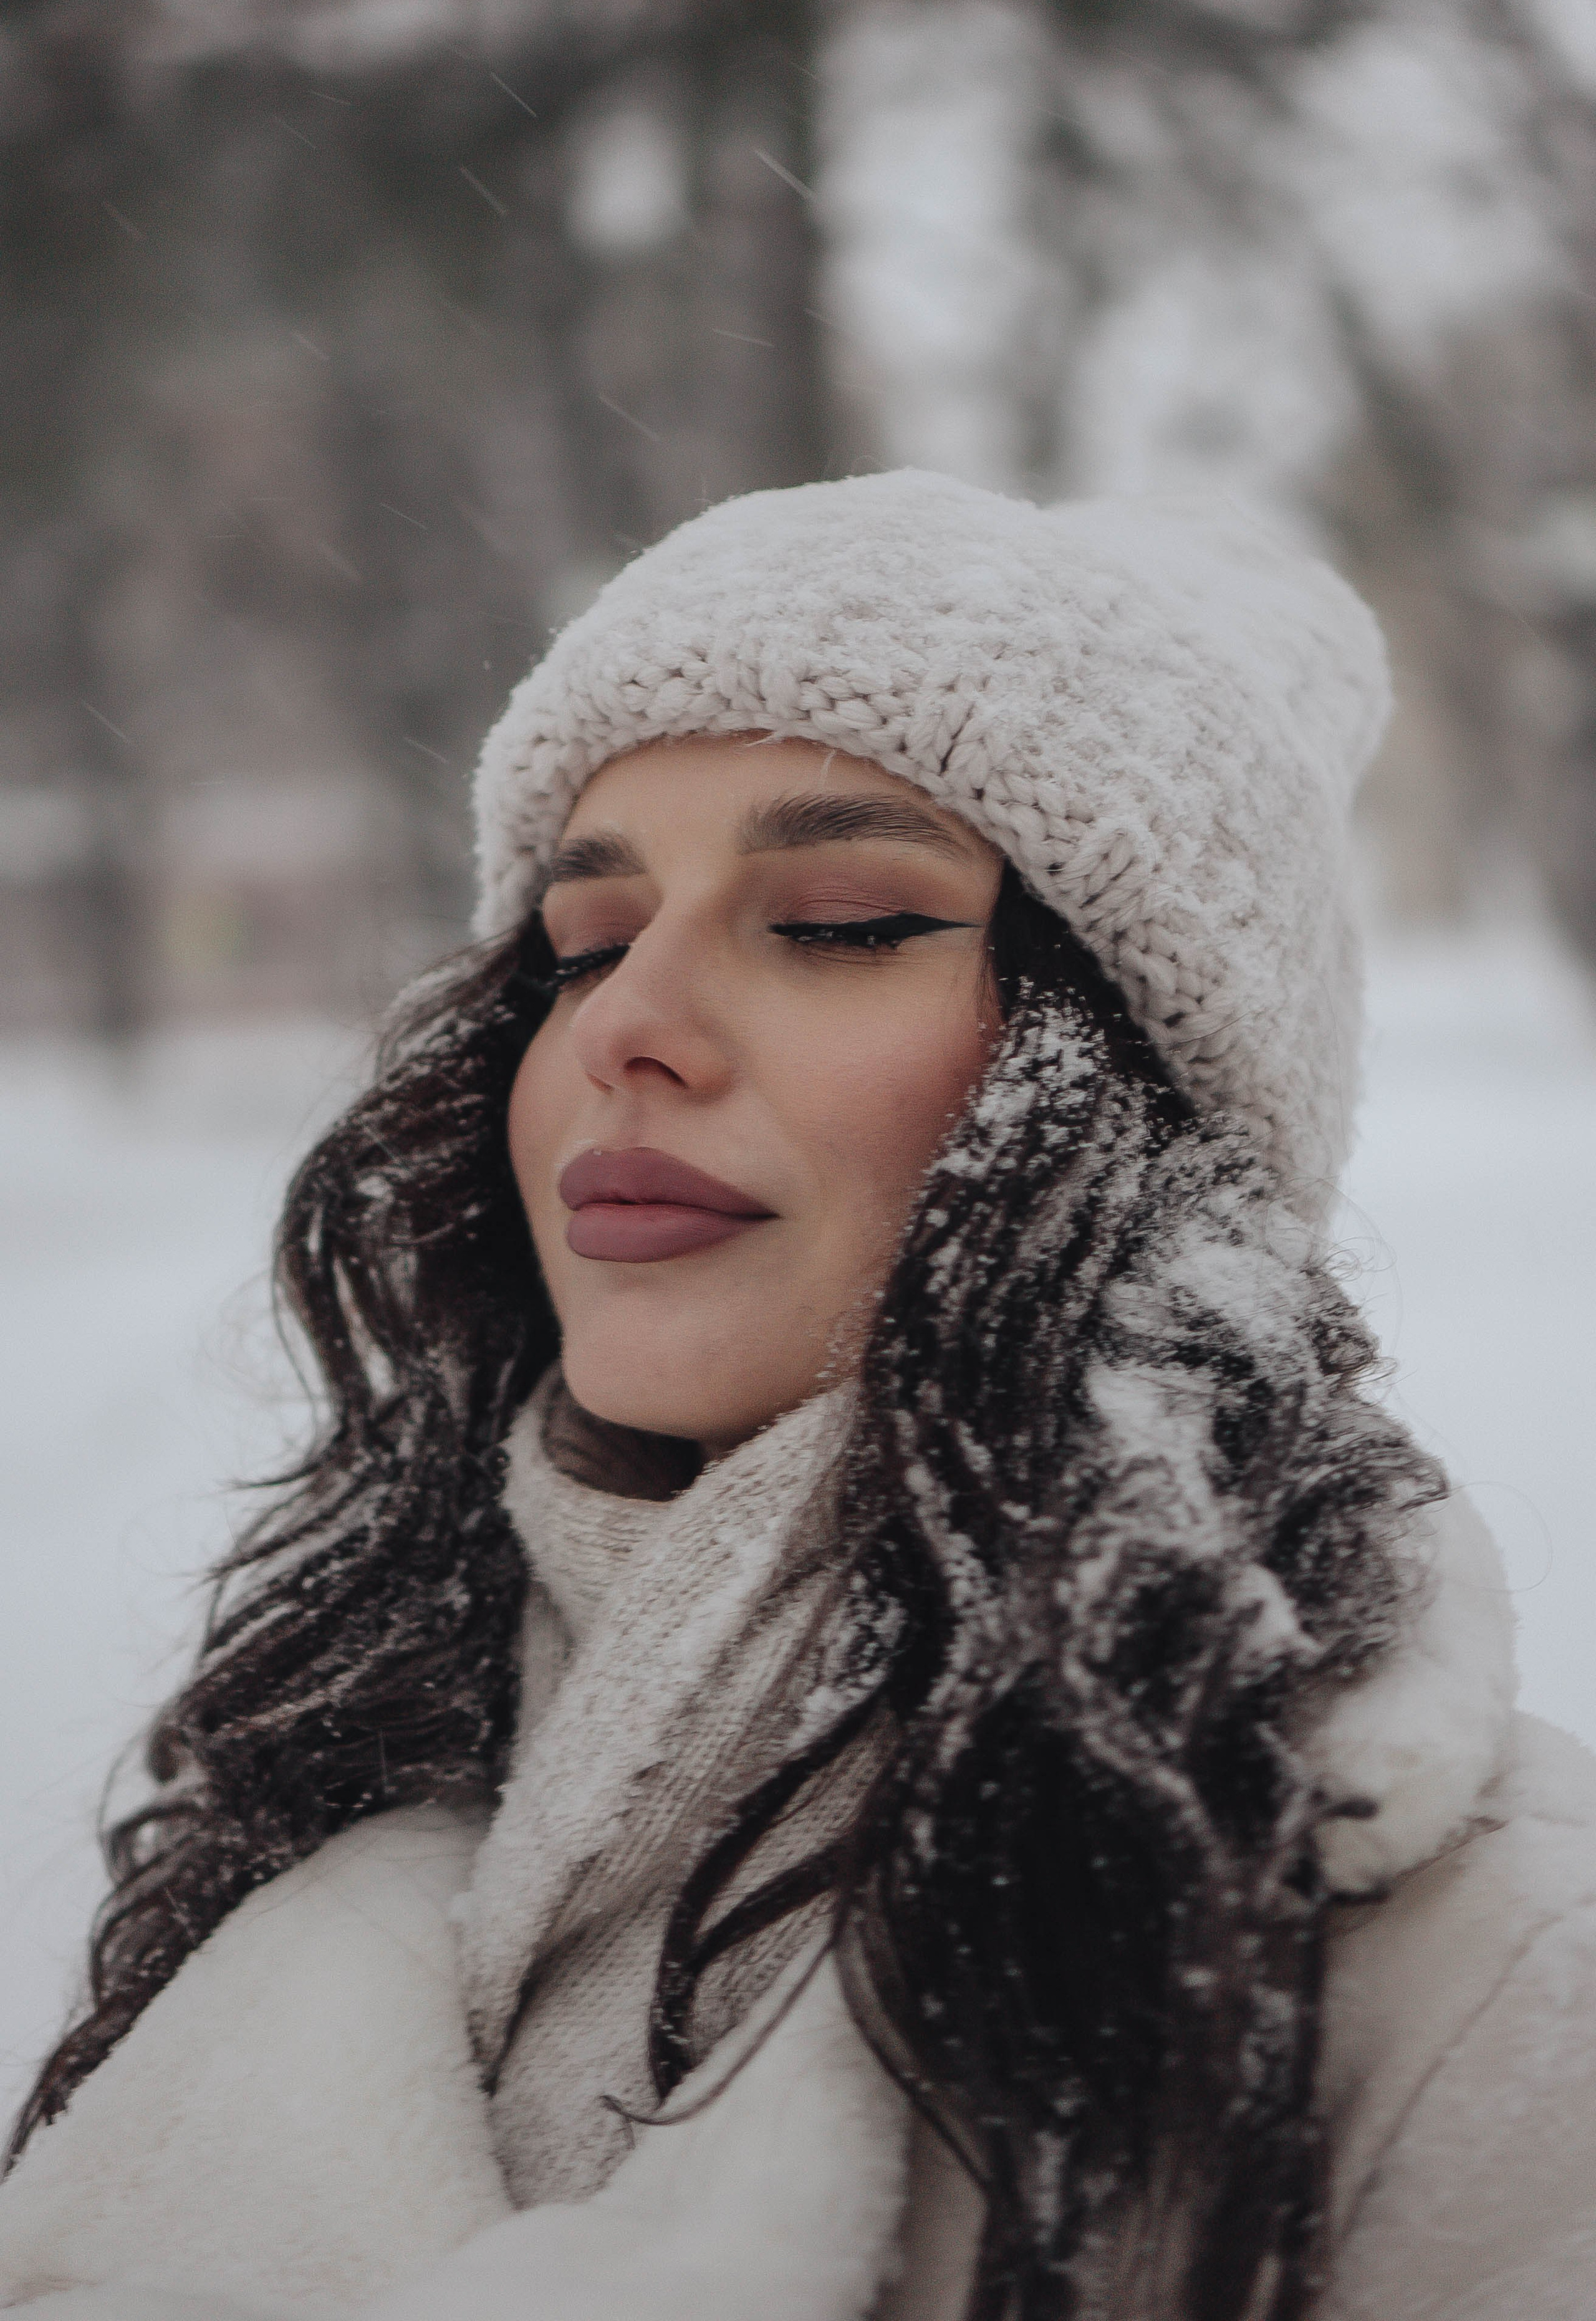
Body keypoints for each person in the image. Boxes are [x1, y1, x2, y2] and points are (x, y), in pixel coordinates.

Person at [2, 470, 1592, 2321]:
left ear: (1135, 1103)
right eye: (584, 945)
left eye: (839, 919)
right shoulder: (326, 1785)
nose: (621, 1023)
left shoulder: (1485, 1991)